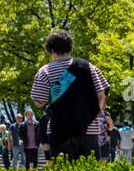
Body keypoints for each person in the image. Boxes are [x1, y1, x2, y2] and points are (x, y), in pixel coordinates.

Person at [30, 28, 109, 161]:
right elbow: (101, 95)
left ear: (51, 49)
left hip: (60, 131)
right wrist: (87, 117)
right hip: (89, 131)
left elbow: (39, 101)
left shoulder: (45, 71)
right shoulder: (88, 67)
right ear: (70, 47)